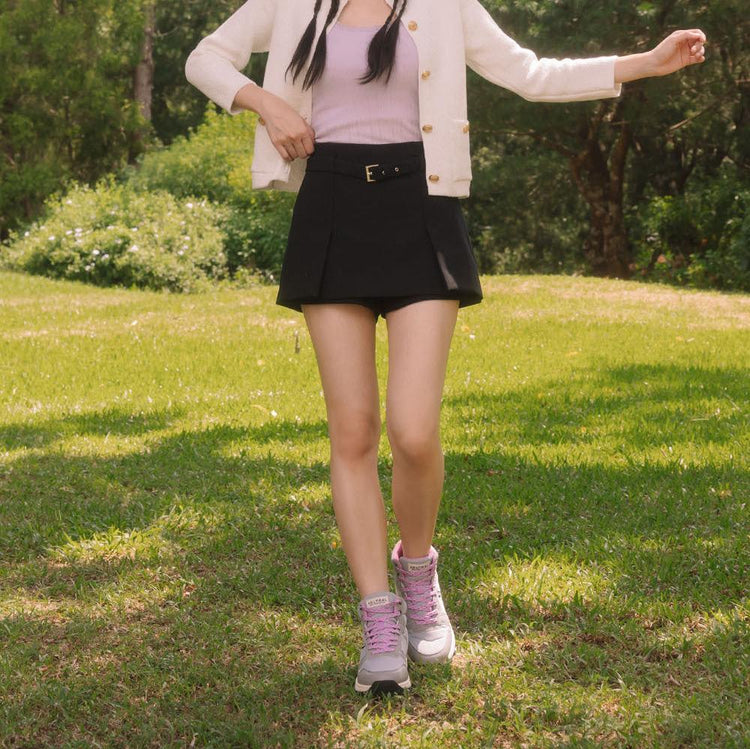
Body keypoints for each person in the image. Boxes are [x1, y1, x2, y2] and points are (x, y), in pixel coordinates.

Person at [186, 0, 706, 696]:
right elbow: (205, 58)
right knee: (352, 430)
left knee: (414, 429)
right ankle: (378, 618)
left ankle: (418, 570)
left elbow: (528, 73)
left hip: (421, 208)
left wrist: (644, 63)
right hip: (330, 209)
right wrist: (266, 104)